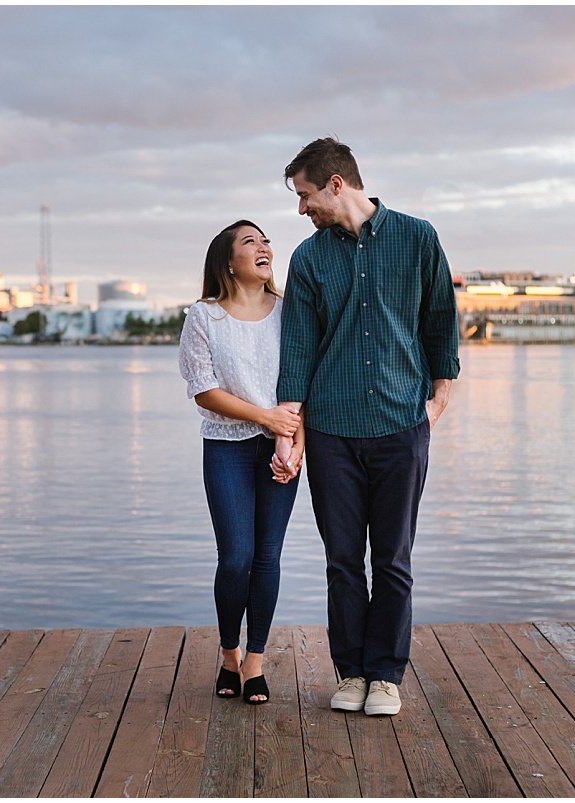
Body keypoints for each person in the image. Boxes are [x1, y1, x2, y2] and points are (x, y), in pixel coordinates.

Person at [272, 137, 459, 716]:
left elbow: (439, 319)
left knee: (393, 560)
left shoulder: (417, 237)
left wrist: (439, 398)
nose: (300, 209)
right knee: (342, 559)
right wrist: (289, 427)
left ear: (335, 184)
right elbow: (298, 348)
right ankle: (349, 673)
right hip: (332, 432)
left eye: (304, 195)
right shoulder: (309, 259)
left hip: (402, 425)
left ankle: (385, 676)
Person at [178, 220, 305, 705]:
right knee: (236, 558)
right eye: (250, 241)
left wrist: (294, 444)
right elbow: (203, 391)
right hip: (227, 446)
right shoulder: (204, 317)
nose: (264, 246)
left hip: (282, 448)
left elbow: (303, 383)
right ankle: (228, 653)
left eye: (266, 240)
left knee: (267, 556)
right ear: (227, 261)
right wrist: (266, 419)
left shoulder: (291, 312)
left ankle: (254, 662)